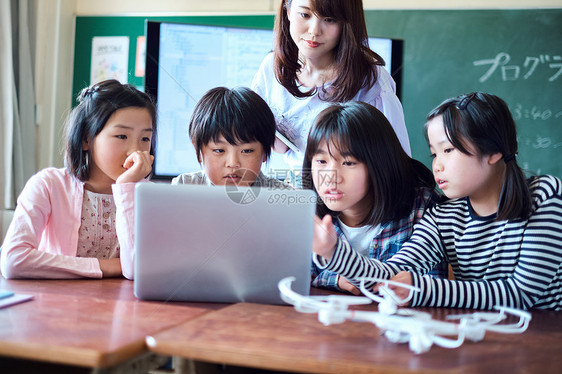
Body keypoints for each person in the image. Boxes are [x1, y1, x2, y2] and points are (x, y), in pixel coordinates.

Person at [313, 92, 562, 310]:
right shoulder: (444, 216)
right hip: (484, 335)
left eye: (448, 150)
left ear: (494, 151)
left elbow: (521, 294)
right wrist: (333, 253)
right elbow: (390, 272)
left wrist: (424, 289)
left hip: (546, 339)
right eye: (434, 153)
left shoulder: (544, 196)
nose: (437, 165)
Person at [1, 79, 156, 280]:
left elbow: (137, 270)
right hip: (58, 304)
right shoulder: (48, 185)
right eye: (121, 136)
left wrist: (126, 188)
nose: (135, 150)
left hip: (123, 307)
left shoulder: (149, 195)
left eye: (145, 139)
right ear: (86, 139)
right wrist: (105, 266)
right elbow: (13, 260)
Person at [252, 0, 410, 177]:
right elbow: (252, 135)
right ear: (287, 11)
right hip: (296, 191)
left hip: (348, 198)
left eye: (329, 19)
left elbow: (397, 167)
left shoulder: (371, 81)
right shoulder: (271, 67)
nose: (314, 31)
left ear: (346, 22)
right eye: (305, 15)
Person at [303, 101, 448, 295]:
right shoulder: (307, 211)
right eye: (321, 161)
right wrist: (335, 280)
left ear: (379, 164)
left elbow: (431, 285)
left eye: (348, 162)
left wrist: (335, 261)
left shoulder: (422, 208)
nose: (330, 177)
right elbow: (296, 276)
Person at [172, 86, 290, 189]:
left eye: (247, 151)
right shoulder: (183, 187)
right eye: (219, 150)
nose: (233, 163)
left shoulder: (283, 197)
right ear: (199, 152)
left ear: (264, 151)